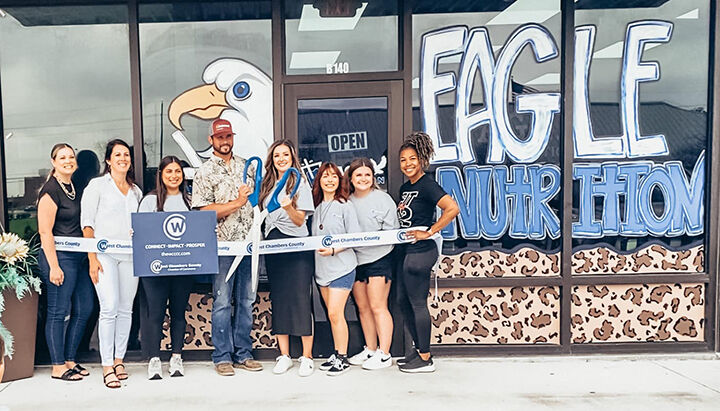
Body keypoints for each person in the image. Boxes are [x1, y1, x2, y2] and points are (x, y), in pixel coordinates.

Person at [191, 118, 262, 376]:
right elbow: (203, 211)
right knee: (222, 301)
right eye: (220, 137)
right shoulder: (204, 172)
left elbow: (258, 203)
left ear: (233, 138)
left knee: (246, 301)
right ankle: (222, 356)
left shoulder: (247, 166)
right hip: (223, 248)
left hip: (250, 246)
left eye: (228, 137)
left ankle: (243, 353)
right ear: (211, 140)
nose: (225, 141)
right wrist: (236, 203)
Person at [395, 132, 459, 373]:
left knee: (417, 303)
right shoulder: (404, 188)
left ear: (422, 159)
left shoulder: (428, 185)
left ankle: (425, 358)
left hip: (422, 251)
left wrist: (429, 231)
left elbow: (452, 209)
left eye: (412, 158)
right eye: (403, 159)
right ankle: (418, 350)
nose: (408, 163)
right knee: (403, 302)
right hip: (406, 251)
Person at [81, 139, 142, 388]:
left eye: (126, 155)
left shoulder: (135, 191)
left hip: (130, 256)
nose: (123, 158)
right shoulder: (97, 186)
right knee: (109, 307)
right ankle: (107, 365)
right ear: (108, 160)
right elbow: (87, 224)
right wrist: (92, 259)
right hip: (104, 255)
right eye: (117, 155)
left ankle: (119, 360)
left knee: (126, 309)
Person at [37, 143, 94, 381]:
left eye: (71, 157)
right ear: (54, 162)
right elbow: (45, 232)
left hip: (79, 257)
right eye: (62, 157)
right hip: (59, 257)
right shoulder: (50, 190)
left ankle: (70, 359)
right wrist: (54, 266)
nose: (68, 160)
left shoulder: (74, 187)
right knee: (58, 312)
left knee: (85, 308)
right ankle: (58, 366)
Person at [260, 140, 315, 377]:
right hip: (273, 247)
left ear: (293, 158)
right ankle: (284, 356)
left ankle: (307, 357)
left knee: (301, 299)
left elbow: (299, 220)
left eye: (285, 155)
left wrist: (289, 207)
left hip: (297, 247)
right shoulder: (266, 185)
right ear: (271, 160)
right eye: (276, 155)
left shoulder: (299, 182)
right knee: (279, 298)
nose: (281, 159)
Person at [137, 156, 194, 380]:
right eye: (169, 171)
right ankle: (154, 359)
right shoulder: (150, 201)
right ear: (161, 174)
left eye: (177, 171)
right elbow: (141, 232)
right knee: (155, 314)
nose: (173, 175)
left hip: (183, 267)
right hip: (155, 268)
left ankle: (176, 357)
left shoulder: (190, 200)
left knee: (179, 313)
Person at [345, 158, 398, 370]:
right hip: (356, 261)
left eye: (367, 175)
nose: (363, 179)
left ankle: (385, 354)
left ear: (373, 177)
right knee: (363, 307)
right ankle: (371, 348)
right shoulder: (346, 201)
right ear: (351, 178)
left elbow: (392, 232)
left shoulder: (383, 199)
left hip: (380, 258)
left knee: (378, 306)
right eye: (358, 175)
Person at [311, 162, 361, 376]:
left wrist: (333, 250)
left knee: (335, 312)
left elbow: (355, 237)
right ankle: (336, 352)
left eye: (334, 176)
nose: (330, 180)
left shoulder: (345, 205)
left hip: (342, 267)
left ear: (340, 180)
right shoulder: (316, 207)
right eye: (325, 176)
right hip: (322, 271)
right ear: (319, 180)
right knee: (331, 316)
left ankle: (342, 358)